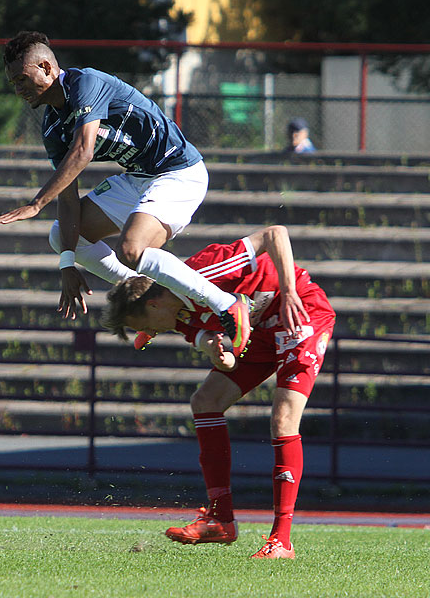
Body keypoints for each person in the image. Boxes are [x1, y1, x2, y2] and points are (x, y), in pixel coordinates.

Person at [0, 31, 252, 354]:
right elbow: (68, 197)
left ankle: (227, 305)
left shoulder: (85, 84)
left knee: (131, 248)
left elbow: (83, 150)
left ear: (46, 66)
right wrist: (67, 264)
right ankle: (154, 297)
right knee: (62, 237)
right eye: (13, 83)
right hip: (139, 177)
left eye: (22, 79)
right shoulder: (52, 128)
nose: (18, 90)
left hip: (179, 172)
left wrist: (37, 203)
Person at [102, 225, 335, 559]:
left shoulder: (203, 271)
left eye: (147, 327)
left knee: (283, 421)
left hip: (299, 314)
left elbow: (276, 234)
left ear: (154, 305)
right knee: (206, 401)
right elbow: (218, 347)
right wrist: (219, 356)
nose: (150, 333)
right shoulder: (179, 314)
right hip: (260, 334)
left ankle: (281, 541)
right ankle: (220, 518)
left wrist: (289, 290)